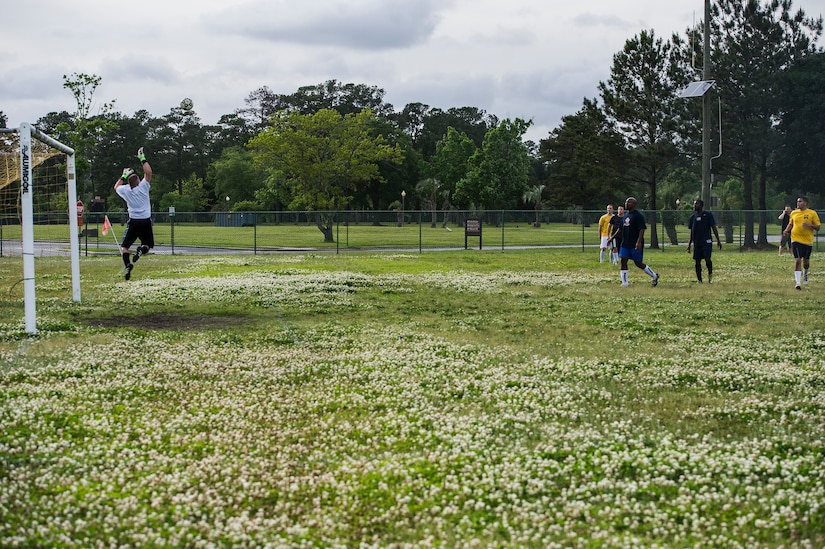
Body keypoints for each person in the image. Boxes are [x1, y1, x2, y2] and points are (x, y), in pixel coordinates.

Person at [114, 147, 154, 280]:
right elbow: (148, 172)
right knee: (147, 245)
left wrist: (123, 175)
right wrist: (142, 158)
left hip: (133, 221)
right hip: (145, 220)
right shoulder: (143, 187)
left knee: (124, 248)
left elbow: (116, 187)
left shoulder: (126, 190)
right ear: (138, 182)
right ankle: (141, 251)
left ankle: (127, 265)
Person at [618, 197, 659, 287]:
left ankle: (654, 275)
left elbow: (641, 229)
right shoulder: (625, 215)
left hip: (635, 243)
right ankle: (625, 283)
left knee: (638, 263)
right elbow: (620, 228)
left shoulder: (638, 216)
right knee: (623, 261)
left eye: (629, 202)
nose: (626, 204)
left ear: (634, 204)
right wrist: (611, 238)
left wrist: (639, 242)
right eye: (626, 202)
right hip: (625, 243)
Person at [783, 196, 820, 290]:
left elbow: (818, 227)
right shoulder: (794, 213)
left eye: (800, 201)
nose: (798, 203)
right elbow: (791, 223)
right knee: (798, 260)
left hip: (807, 241)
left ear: (805, 203)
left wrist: (810, 225)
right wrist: (786, 230)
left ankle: (806, 273)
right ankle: (798, 283)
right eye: (797, 201)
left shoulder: (812, 213)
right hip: (795, 240)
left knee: (806, 261)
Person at [687, 199, 722, 283]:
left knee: (707, 258)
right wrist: (689, 244)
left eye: (696, 204)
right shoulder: (693, 217)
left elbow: (713, 227)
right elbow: (692, 231)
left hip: (706, 241)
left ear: (701, 205)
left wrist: (718, 240)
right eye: (694, 204)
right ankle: (700, 280)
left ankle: (710, 276)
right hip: (697, 242)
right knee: (697, 261)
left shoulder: (708, 215)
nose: (694, 206)